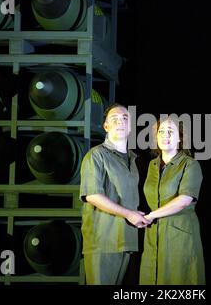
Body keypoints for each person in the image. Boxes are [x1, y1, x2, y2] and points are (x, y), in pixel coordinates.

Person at [79, 103, 151, 285]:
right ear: (106, 126)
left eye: (125, 118)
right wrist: (129, 214)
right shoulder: (96, 156)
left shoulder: (135, 159)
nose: (121, 122)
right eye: (115, 119)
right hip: (103, 241)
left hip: (127, 240)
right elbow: (92, 195)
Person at [139, 116, 205, 285]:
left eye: (170, 132)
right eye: (161, 132)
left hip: (180, 236)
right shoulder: (152, 165)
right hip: (153, 235)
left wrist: (151, 216)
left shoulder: (190, 165)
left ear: (180, 137)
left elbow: (184, 200)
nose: (164, 135)